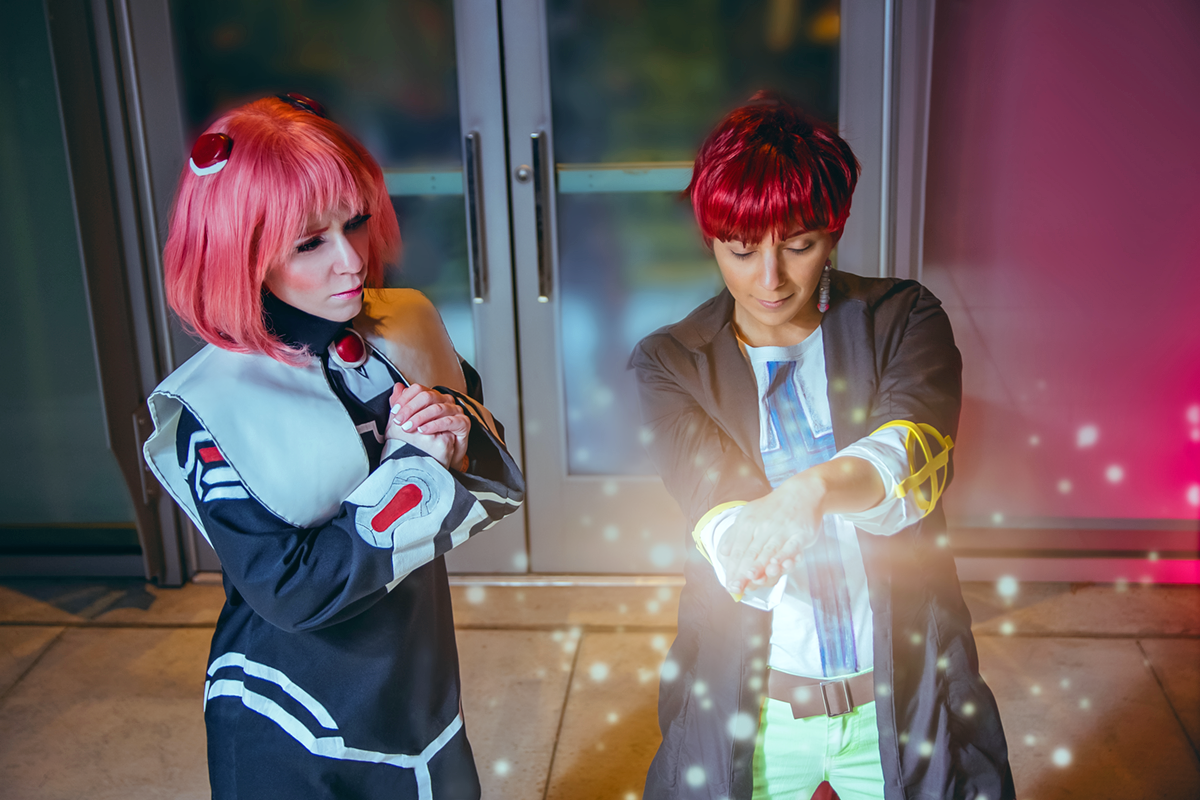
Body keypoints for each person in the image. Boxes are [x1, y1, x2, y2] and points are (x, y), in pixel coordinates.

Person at [630, 92, 1013, 800]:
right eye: (742, 250)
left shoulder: (903, 319)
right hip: (754, 712)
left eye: (798, 245)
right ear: (713, 240)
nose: (769, 279)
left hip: (903, 700)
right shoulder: (672, 363)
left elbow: (913, 450)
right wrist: (750, 533)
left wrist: (814, 491)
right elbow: (714, 505)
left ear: (833, 231)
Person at [142, 95, 525, 799]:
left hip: (416, 686)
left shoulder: (403, 327)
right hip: (289, 715)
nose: (351, 262)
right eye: (309, 244)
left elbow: (484, 466)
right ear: (238, 253)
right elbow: (288, 591)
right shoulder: (215, 408)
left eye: (355, 223)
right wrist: (414, 470)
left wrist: (456, 435)